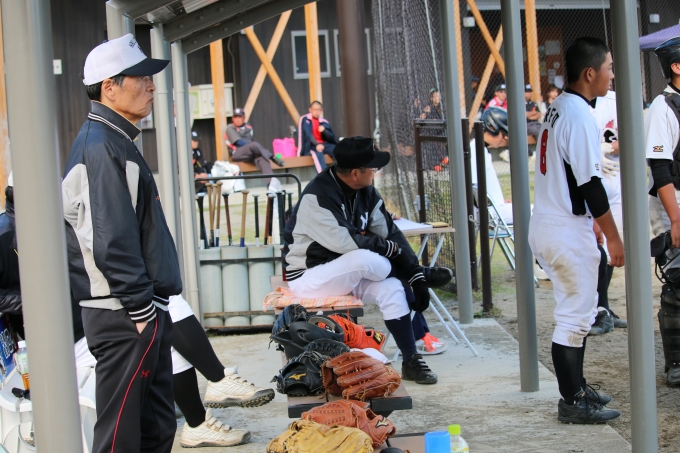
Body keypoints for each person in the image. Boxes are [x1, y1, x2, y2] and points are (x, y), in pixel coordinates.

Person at [283, 137, 453, 384]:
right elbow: (346, 242)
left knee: (392, 288)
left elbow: (389, 232)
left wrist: (411, 267)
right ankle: (418, 275)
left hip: (347, 273)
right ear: (355, 173)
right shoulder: (317, 196)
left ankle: (411, 360)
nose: (376, 172)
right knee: (367, 258)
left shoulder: (366, 191)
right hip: (309, 276)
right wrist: (412, 272)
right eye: (372, 168)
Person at [528, 37, 624, 424]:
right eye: (609, 68)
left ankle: (578, 390)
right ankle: (572, 402)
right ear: (589, 73)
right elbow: (590, 184)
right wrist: (613, 235)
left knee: (578, 314)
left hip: (553, 221)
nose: (612, 75)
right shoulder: (579, 114)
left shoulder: (561, 105)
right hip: (563, 227)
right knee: (575, 318)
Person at [644, 36, 680, 386]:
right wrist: (677, 220)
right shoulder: (663, 107)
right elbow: (660, 167)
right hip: (674, 203)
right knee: (679, 282)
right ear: (676, 66)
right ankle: (676, 363)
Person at [587, 88, 627, 335]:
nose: (611, 74)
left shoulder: (616, 99)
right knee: (594, 250)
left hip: (615, 179)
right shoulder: (576, 103)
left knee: (610, 251)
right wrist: (593, 152)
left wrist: (608, 147)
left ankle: (604, 308)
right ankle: (595, 310)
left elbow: (634, 137)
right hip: (590, 183)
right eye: (608, 69)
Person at [226, 107, 285, 188]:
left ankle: (270, 184)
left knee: (263, 159)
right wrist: (253, 148)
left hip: (250, 153)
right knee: (254, 145)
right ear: (233, 118)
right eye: (235, 117)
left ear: (244, 118)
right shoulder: (230, 128)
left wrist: (254, 150)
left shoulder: (248, 127)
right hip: (237, 153)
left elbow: (250, 141)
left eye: (239, 117)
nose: (237, 119)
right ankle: (272, 157)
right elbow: (239, 142)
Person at [297, 101, 338, 173]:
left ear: (321, 110)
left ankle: (340, 172)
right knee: (318, 152)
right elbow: (307, 134)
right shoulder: (305, 119)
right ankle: (323, 174)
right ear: (310, 110)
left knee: (336, 149)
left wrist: (324, 131)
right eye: (315, 109)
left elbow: (331, 138)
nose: (317, 112)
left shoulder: (324, 122)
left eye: (318, 110)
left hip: (324, 144)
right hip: (311, 145)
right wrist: (316, 144)